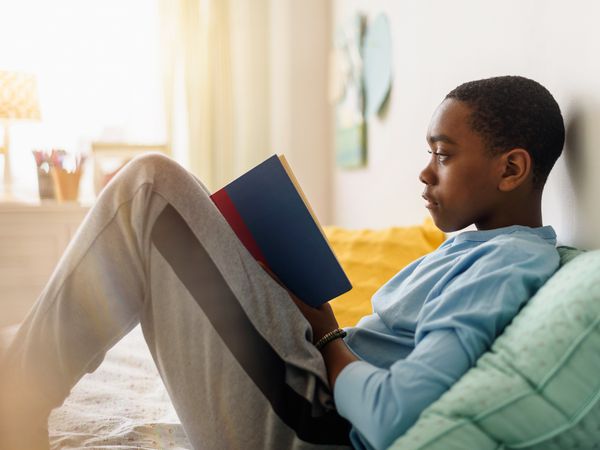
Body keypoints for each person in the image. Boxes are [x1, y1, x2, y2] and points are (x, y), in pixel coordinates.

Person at [0, 75, 564, 450]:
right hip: (306, 387)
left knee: (152, 185)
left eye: (442, 155)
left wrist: (326, 336)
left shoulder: (506, 266)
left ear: (511, 169)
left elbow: (395, 413)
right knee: (171, 203)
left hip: (314, 425)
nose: (425, 173)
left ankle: (14, 400)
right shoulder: (473, 248)